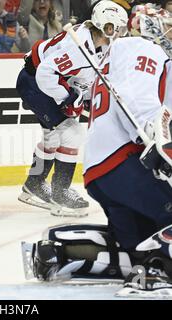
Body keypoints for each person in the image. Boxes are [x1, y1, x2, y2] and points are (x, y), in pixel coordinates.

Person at [22, 10, 172, 296]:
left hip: (104, 172)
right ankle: (157, 271)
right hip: (128, 162)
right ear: (152, 29)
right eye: (168, 28)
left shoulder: (123, 54)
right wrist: (160, 146)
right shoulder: (142, 47)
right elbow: (136, 98)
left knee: (137, 244)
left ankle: (62, 252)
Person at [16, 0, 128, 217]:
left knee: (53, 136)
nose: (120, 34)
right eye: (117, 28)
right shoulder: (79, 48)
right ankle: (60, 192)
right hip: (35, 84)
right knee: (72, 132)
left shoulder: (98, 43)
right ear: (106, 26)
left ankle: (34, 184)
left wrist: (82, 97)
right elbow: (45, 74)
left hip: (41, 82)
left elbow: (85, 77)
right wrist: (68, 97)